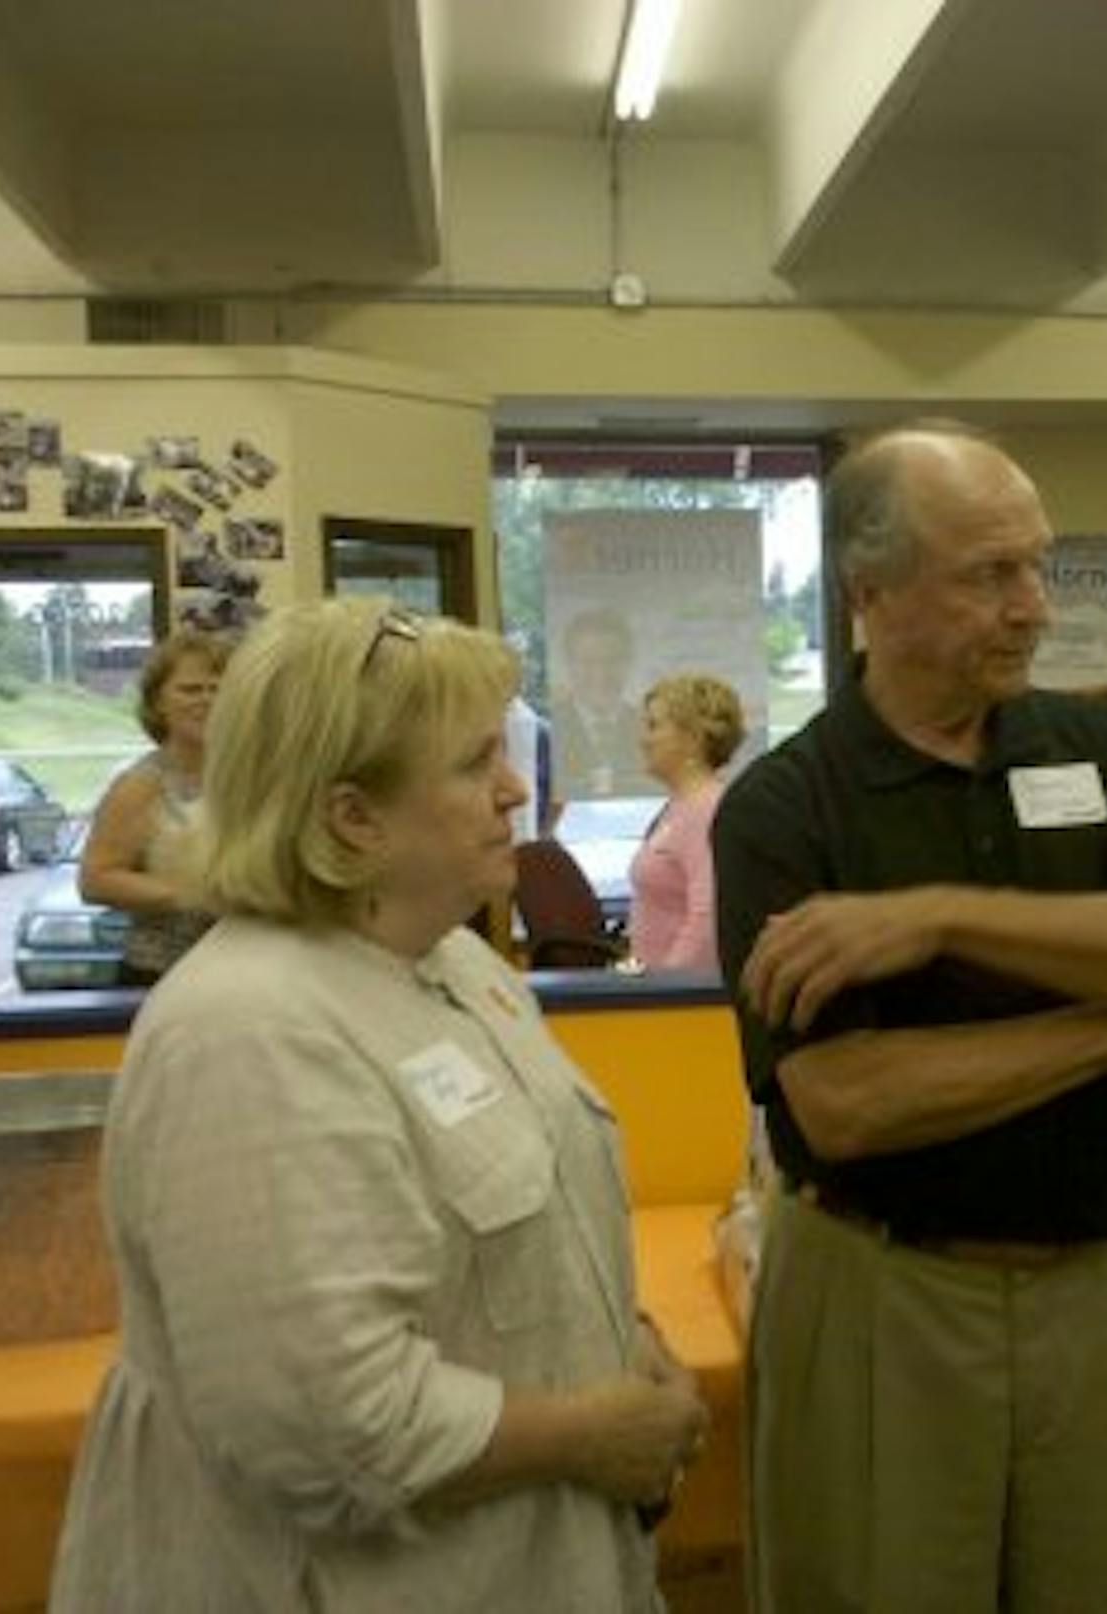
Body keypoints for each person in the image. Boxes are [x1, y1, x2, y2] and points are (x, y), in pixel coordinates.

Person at [50, 599, 708, 1612]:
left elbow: (519, 1237)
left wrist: (625, 1344)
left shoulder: (453, 960)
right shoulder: (250, 1032)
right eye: (471, 762)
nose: (513, 788)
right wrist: (595, 1434)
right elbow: (320, 1424)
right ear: (352, 817)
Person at [713, 421, 1107, 1612]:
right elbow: (846, 1105)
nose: (1031, 606)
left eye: (1037, 567)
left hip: (1101, 1284)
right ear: (868, 593)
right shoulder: (782, 809)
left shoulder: (1103, 744)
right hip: (883, 1297)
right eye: (987, 575)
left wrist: (935, 918)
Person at [79, 627, 230, 985]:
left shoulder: (250, 777)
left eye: (218, 689)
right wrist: (195, 896)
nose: (206, 700)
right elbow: (95, 880)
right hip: (161, 974)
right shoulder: (140, 785)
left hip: (241, 971)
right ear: (158, 702)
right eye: (191, 689)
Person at [627, 673, 744, 972]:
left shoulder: (707, 811)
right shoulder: (678, 807)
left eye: (654, 726)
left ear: (692, 738)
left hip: (678, 1000)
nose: (643, 740)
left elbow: (707, 921)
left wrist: (665, 991)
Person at [556, 607, 654, 800]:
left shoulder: (649, 727)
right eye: (587, 662)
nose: (601, 674)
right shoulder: (552, 728)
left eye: (612, 661)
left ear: (629, 662)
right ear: (568, 664)